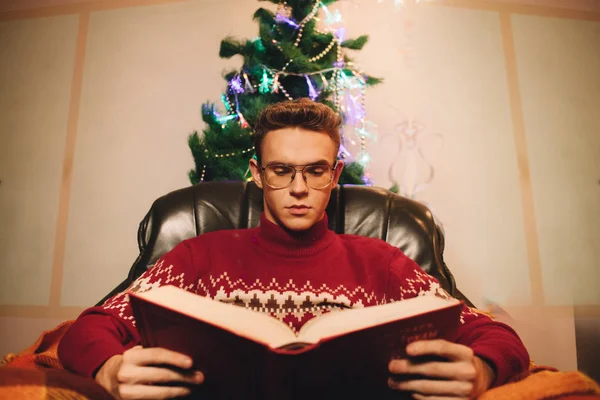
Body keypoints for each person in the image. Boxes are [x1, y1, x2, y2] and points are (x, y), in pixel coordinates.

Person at [58, 98, 529, 399]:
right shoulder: (197, 256)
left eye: (315, 170)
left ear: (335, 175)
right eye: (281, 171)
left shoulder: (382, 262)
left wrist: (485, 370)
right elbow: (92, 327)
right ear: (257, 174)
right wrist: (110, 368)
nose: (299, 188)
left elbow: (495, 336)